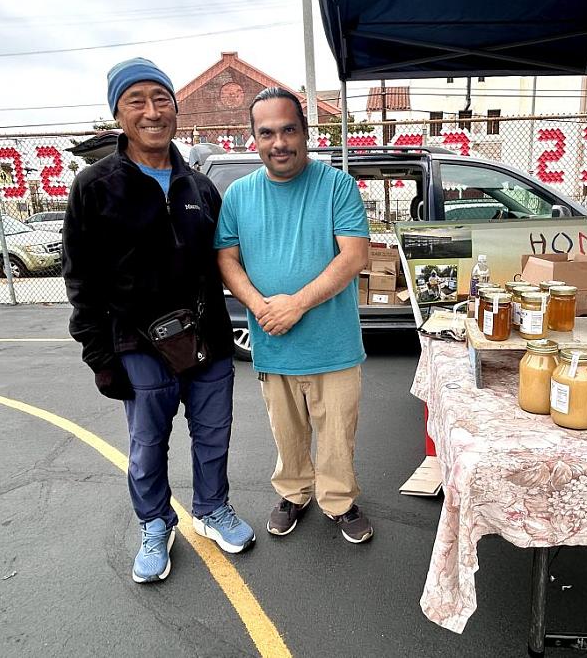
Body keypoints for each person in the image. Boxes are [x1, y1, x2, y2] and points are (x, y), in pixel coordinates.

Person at [63, 58, 254, 583]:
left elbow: (229, 260)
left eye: (161, 98)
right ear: (118, 114)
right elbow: (81, 280)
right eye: (137, 101)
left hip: (208, 339)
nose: (152, 111)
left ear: (174, 107)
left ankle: (212, 509)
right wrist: (100, 357)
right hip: (137, 345)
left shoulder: (199, 186)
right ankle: (155, 523)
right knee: (147, 446)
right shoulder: (94, 187)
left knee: (214, 434)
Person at [216, 87, 373, 544]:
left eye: (288, 130)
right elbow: (226, 259)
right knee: (286, 432)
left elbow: (354, 257)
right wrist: (260, 305)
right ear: (254, 139)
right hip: (272, 340)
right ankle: (294, 494)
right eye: (267, 133)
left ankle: (340, 500)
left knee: (338, 433)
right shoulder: (240, 196)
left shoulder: (336, 186)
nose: (279, 142)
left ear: (305, 133)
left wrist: (296, 303)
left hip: (333, 342)